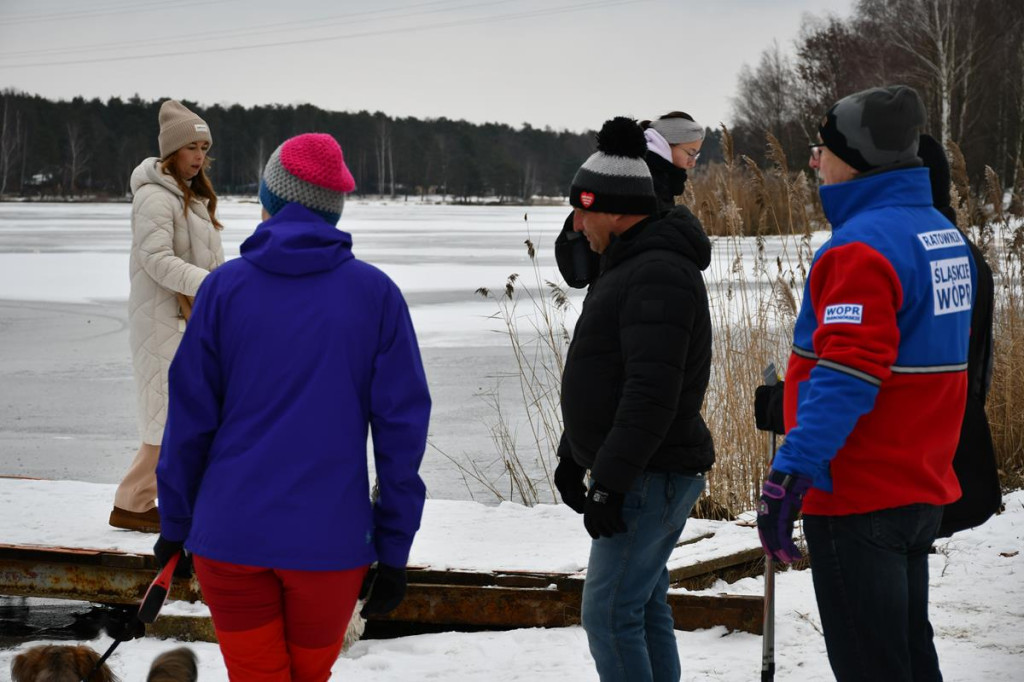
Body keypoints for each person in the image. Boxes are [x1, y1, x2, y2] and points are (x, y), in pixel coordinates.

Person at [152, 133, 431, 682]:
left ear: (270, 200)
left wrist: (175, 524)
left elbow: (189, 420)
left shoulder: (223, 290)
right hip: (330, 544)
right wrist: (394, 547)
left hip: (229, 537)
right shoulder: (375, 295)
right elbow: (401, 435)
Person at [755, 86, 975, 681]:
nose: (813, 161)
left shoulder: (859, 248)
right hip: (919, 483)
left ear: (856, 158)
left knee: (872, 666)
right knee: (906, 653)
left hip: (859, 493)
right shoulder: (940, 236)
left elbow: (851, 373)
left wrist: (790, 472)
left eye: (821, 148)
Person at [553, 117, 714, 682]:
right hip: (647, 469)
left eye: (583, 211)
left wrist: (612, 482)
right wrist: (574, 452)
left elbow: (651, 393)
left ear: (619, 211)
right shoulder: (627, 265)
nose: (576, 225)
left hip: (651, 473)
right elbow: (605, 376)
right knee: (642, 607)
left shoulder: (657, 274)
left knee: (609, 614)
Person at [110, 99, 225, 533]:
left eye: (204, 146)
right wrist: (215, 285)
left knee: (185, 417)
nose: (199, 155)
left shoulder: (191, 197)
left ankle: (154, 499)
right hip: (162, 322)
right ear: (171, 151)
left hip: (188, 320)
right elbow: (156, 259)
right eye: (191, 146)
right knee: (169, 419)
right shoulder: (156, 197)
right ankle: (133, 501)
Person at [915, 133, 1002, 537]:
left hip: (917, 467)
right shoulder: (966, 253)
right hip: (955, 454)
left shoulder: (912, 255)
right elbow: (981, 362)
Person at [554, 111, 705, 289]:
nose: (692, 163)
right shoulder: (638, 183)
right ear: (664, 144)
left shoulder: (657, 182)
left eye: (696, 156)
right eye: (691, 153)